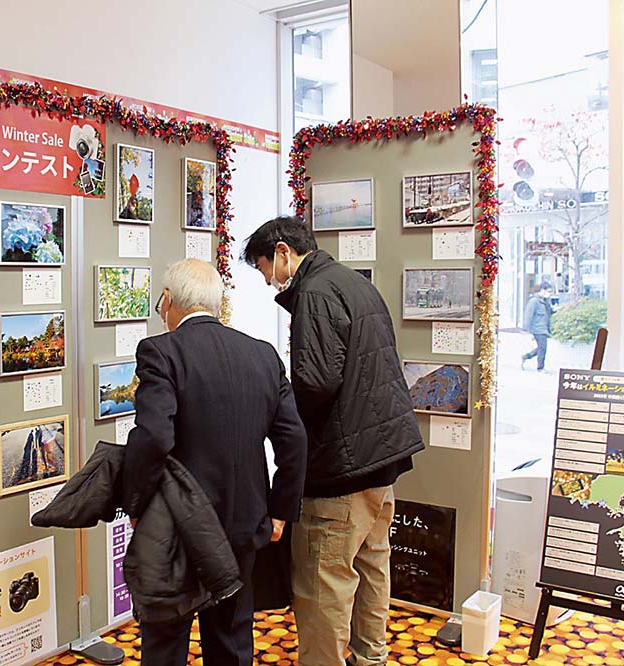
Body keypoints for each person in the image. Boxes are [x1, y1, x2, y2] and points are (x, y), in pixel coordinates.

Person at [242, 215, 424, 665]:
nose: (268, 281)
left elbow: (317, 383)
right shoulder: (352, 283)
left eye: (264, 267)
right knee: (371, 566)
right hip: (381, 460)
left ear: (283, 252)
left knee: (323, 586)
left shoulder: (317, 294)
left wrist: (278, 416)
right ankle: (369, 657)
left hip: (341, 469)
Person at [121, 258, 307, 665]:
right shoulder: (262, 354)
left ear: (168, 300)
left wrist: (135, 504)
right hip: (243, 524)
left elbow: (153, 436)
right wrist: (280, 512)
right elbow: (293, 440)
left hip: (177, 529)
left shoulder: (161, 352)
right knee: (231, 639)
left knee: (167, 640)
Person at [522, 282, 554, 372]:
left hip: (544, 328)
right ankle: (540, 367)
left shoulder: (545, 301)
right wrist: (526, 329)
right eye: (548, 291)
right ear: (542, 290)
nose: (549, 293)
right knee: (542, 348)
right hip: (537, 329)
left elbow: (549, 312)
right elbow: (528, 315)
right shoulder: (534, 301)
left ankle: (526, 356)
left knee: (541, 348)